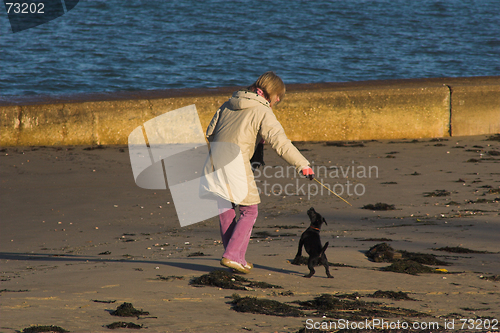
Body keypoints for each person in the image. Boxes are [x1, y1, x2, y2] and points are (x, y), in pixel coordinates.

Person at [204, 71, 314, 274]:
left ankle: (236, 257)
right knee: (249, 211)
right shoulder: (263, 111)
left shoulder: (229, 103)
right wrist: (303, 165)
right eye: (278, 95)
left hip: (213, 162)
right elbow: (281, 143)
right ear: (267, 92)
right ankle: (232, 256)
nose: (279, 99)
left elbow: (210, 133)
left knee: (226, 210)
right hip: (235, 164)